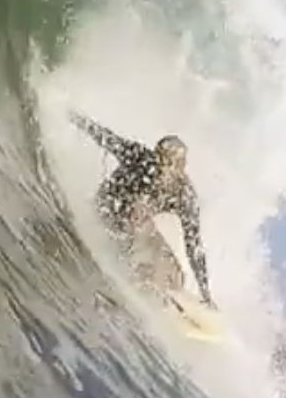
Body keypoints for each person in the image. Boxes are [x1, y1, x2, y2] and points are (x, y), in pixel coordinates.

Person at [71, 112, 215, 309]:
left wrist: (205, 293)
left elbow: (194, 245)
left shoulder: (184, 196)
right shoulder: (139, 158)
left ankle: (164, 291)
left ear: (181, 168)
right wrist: (73, 117)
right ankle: (141, 281)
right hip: (107, 210)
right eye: (160, 160)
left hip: (135, 224)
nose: (161, 167)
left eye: (169, 164)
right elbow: (104, 137)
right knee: (138, 224)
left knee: (176, 274)